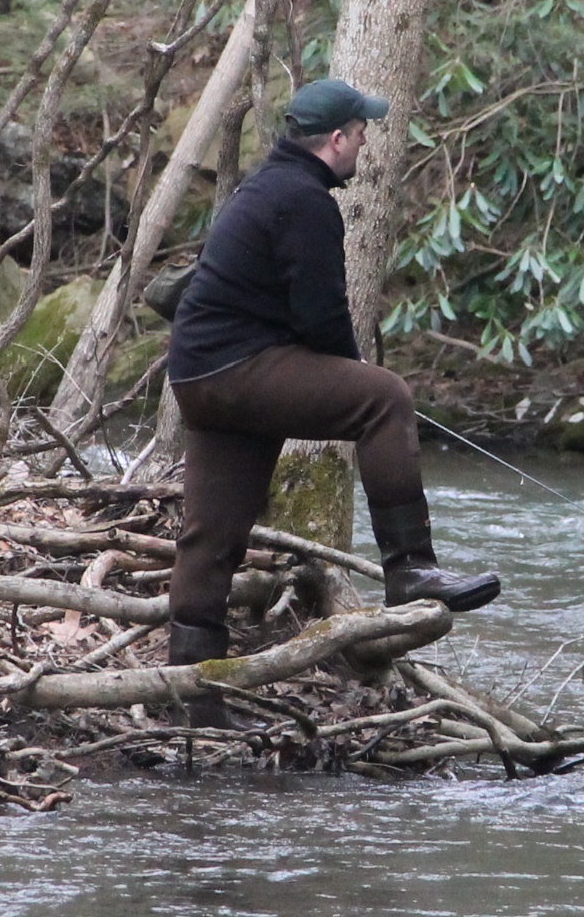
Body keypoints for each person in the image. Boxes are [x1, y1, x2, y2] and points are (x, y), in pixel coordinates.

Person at [161, 77, 501, 665]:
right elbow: (320, 316)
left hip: (197, 377)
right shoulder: (305, 201)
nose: (366, 142)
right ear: (337, 139)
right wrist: (355, 373)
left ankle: (192, 685)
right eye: (362, 132)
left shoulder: (265, 186)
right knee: (385, 398)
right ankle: (411, 569)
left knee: (211, 536)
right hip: (239, 368)